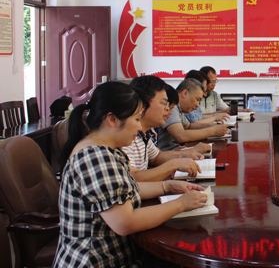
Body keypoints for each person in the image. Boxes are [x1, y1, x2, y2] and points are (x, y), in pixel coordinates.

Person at [54, 82, 208, 267]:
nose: (139, 128)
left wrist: (166, 186)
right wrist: (181, 204)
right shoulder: (95, 157)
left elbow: (125, 188)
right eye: (136, 119)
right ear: (112, 119)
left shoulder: (107, 150)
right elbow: (125, 222)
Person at [122, 75, 212, 182]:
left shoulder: (145, 134)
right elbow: (132, 178)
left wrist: (185, 154)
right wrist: (173, 165)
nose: (167, 109)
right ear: (143, 104)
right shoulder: (126, 136)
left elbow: (157, 156)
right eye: (164, 103)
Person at [157, 78, 228, 150]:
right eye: (197, 99)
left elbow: (189, 126)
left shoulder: (179, 108)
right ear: (185, 93)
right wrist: (213, 131)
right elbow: (181, 136)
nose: (197, 105)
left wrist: (213, 126)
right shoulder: (172, 107)